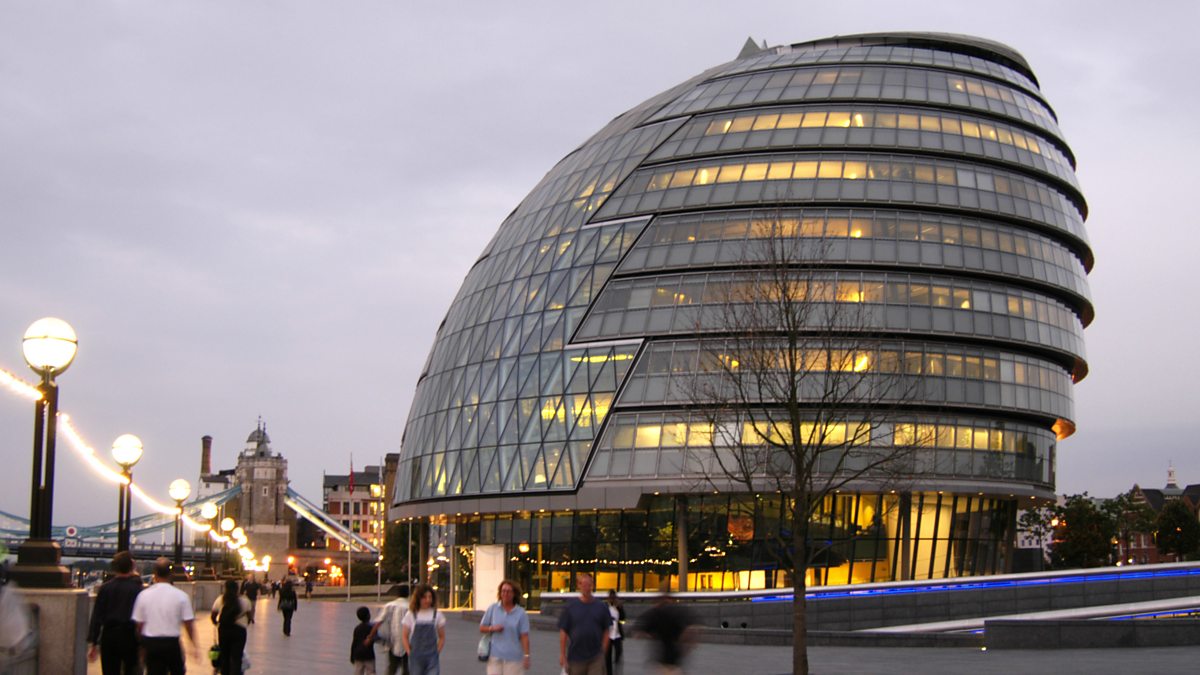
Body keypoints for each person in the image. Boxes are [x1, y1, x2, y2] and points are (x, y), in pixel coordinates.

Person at [131, 557, 198, 675]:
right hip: (172, 643)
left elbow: (139, 624)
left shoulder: (143, 595)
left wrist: (141, 646)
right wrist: (193, 644)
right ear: (171, 575)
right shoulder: (181, 596)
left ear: (155, 574)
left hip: (152, 644)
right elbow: (188, 624)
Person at [86, 551, 143, 675]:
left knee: (110, 670)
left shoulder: (105, 588)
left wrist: (94, 643)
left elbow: (97, 617)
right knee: (131, 670)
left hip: (109, 636)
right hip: (130, 636)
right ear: (131, 567)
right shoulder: (137, 589)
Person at [557, 573, 610, 675]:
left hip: (596, 656)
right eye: (583, 585)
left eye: (589, 585)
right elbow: (563, 630)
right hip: (575, 657)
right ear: (579, 585)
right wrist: (562, 654)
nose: (586, 588)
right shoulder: (571, 607)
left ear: (592, 586)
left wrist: (603, 650)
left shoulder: (601, 607)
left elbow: (607, 630)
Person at [633, 591, 697, 675]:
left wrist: (649, 635)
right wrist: (688, 644)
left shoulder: (655, 613)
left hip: (663, 657)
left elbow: (639, 632)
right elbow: (691, 628)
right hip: (674, 656)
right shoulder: (678, 612)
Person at [478, 579, 531, 675]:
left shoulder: (521, 613)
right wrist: (492, 628)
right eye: (503, 591)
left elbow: (524, 636)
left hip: (514, 658)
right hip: (495, 656)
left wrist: (526, 655)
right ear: (500, 593)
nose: (505, 594)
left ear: (514, 594)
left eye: (509, 591)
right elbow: (482, 628)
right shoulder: (493, 608)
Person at [401, 584, 445, 675]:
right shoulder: (411, 614)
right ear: (418, 598)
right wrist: (409, 652)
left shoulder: (437, 614)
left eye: (430, 597)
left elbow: (442, 637)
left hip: (432, 657)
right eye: (424, 597)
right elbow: (405, 636)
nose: (428, 600)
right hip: (416, 657)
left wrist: (437, 652)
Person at [210, 579, 251, 675]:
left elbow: (213, 616)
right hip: (239, 631)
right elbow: (250, 617)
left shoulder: (220, 600)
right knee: (237, 657)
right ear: (237, 589)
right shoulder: (245, 601)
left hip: (224, 630)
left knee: (225, 656)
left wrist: (218, 624)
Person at [367, 585, 409, 675]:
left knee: (392, 667)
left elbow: (378, 622)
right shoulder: (411, 606)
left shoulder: (389, 605)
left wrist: (370, 636)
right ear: (408, 594)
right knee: (407, 667)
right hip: (409, 642)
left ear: (397, 594)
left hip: (393, 641)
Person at [604, 590, 625, 675]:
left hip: (617, 634)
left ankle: (616, 666)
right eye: (611, 598)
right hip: (608, 635)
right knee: (607, 656)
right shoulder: (605, 606)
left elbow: (623, 619)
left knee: (618, 652)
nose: (612, 600)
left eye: (614, 598)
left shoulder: (619, 607)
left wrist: (619, 608)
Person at [351, 606, 377, 675]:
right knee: (371, 672)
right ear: (368, 616)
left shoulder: (357, 628)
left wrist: (352, 656)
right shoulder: (371, 629)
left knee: (358, 672)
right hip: (369, 655)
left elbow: (354, 643)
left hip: (358, 655)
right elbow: (376, 638)